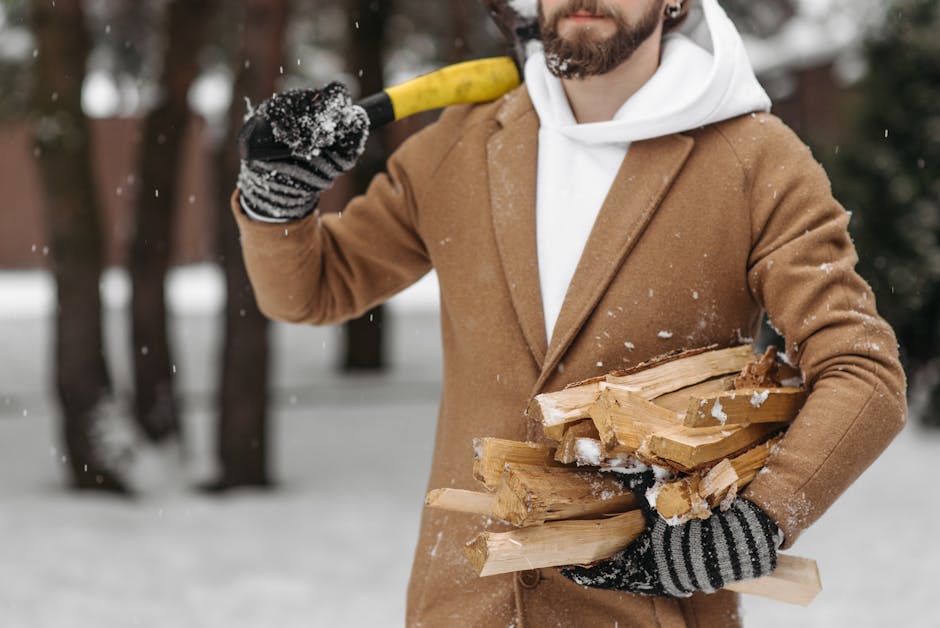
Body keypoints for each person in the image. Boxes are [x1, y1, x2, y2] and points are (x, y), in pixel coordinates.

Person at [232, 0, 908, 625]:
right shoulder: (460, 146)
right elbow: (315, 290)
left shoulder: (757, 162)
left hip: (647, 609)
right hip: (461, 605)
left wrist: (758, 518)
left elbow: (862, 371)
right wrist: (277, 199)